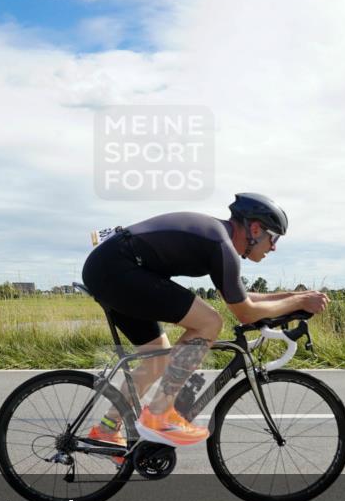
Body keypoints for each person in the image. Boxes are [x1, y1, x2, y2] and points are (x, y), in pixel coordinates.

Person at [81, 193, 330, 454]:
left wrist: (296, 298)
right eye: (274, 238)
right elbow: (245, 312)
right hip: (118, 269)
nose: (274, 247)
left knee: (159, 357)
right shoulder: (220, 244)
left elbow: (241, 299)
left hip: (110, 269)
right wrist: (298, 301)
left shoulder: (217, 239)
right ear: (255, 229)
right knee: (209, 322)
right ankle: (160, 413)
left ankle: (107, 429)